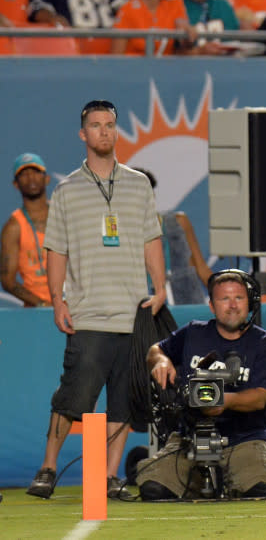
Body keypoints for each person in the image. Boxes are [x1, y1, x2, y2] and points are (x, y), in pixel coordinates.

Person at [26, 100, 166, 501]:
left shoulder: (139, 183)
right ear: (82, 134)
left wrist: (160, 287)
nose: (104, 131)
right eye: (95, 125)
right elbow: (56, 250)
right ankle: (48, 467)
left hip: (134, 312)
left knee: (123, 403)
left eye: (110, 125)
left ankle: (106, 478)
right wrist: (58, 300)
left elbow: (150, 238)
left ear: (116, 131)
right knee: (73, 398)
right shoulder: (67, 189)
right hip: (87, 313)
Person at [137, 270, 266, 500]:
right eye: (224, 299)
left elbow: (259, 397)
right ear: (212, 306)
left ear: (250, 303)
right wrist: (161, 362)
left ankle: (231, 478)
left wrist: (224, 401)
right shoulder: (193, 333)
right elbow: (155, 351)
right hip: (190, 436)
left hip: (244, 439)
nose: (232, 305)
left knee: (262, 488)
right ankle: (197, 481)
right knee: (153, 488)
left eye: (239, 298)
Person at [134, 167, 213, 305]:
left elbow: (201, 268)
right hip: (145, 307)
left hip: (185, 305)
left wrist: (226, 294)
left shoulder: (178, 223)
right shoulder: (119, 233)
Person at [1, 152, 51, 307]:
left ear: (46, 178)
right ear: (15, 184)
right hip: (37, 314)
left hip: (74, 309)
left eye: (36, 172)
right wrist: (42, 305)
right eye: (23, 174)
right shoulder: (14, 227)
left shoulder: (64, 215)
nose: (31, 178)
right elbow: (7, 281)